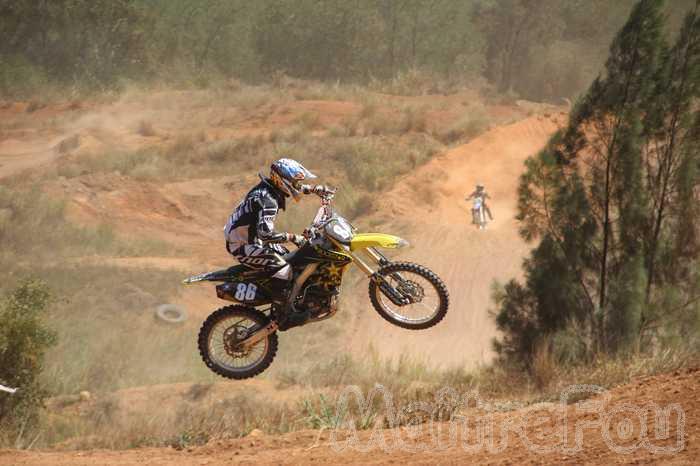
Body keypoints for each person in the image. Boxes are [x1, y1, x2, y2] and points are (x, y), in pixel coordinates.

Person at [224, 158, 327, 292]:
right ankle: (281, 309)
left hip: (250, 237)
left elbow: (294, 186)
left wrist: (313, 189)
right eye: (295, 181)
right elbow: (266, 235)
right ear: (282, 180)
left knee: (291, 258)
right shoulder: (269, 201)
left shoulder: (267, 188)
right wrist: (294, 238)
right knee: (285, 269)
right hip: (242, 245)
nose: (298, 185)